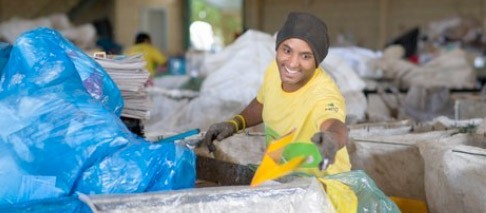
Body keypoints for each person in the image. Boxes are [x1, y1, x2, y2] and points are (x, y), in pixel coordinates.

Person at [203, 12, 351, 175]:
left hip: (323, 186)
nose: (292, 63)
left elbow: (334, 125)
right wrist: (235, 123)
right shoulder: (274, 70)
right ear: (277, 48)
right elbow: (263, 102)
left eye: (305, 56)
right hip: (285, 178)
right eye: (287, 50)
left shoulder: (324, 93)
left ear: (317, 61)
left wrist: (332, 139)